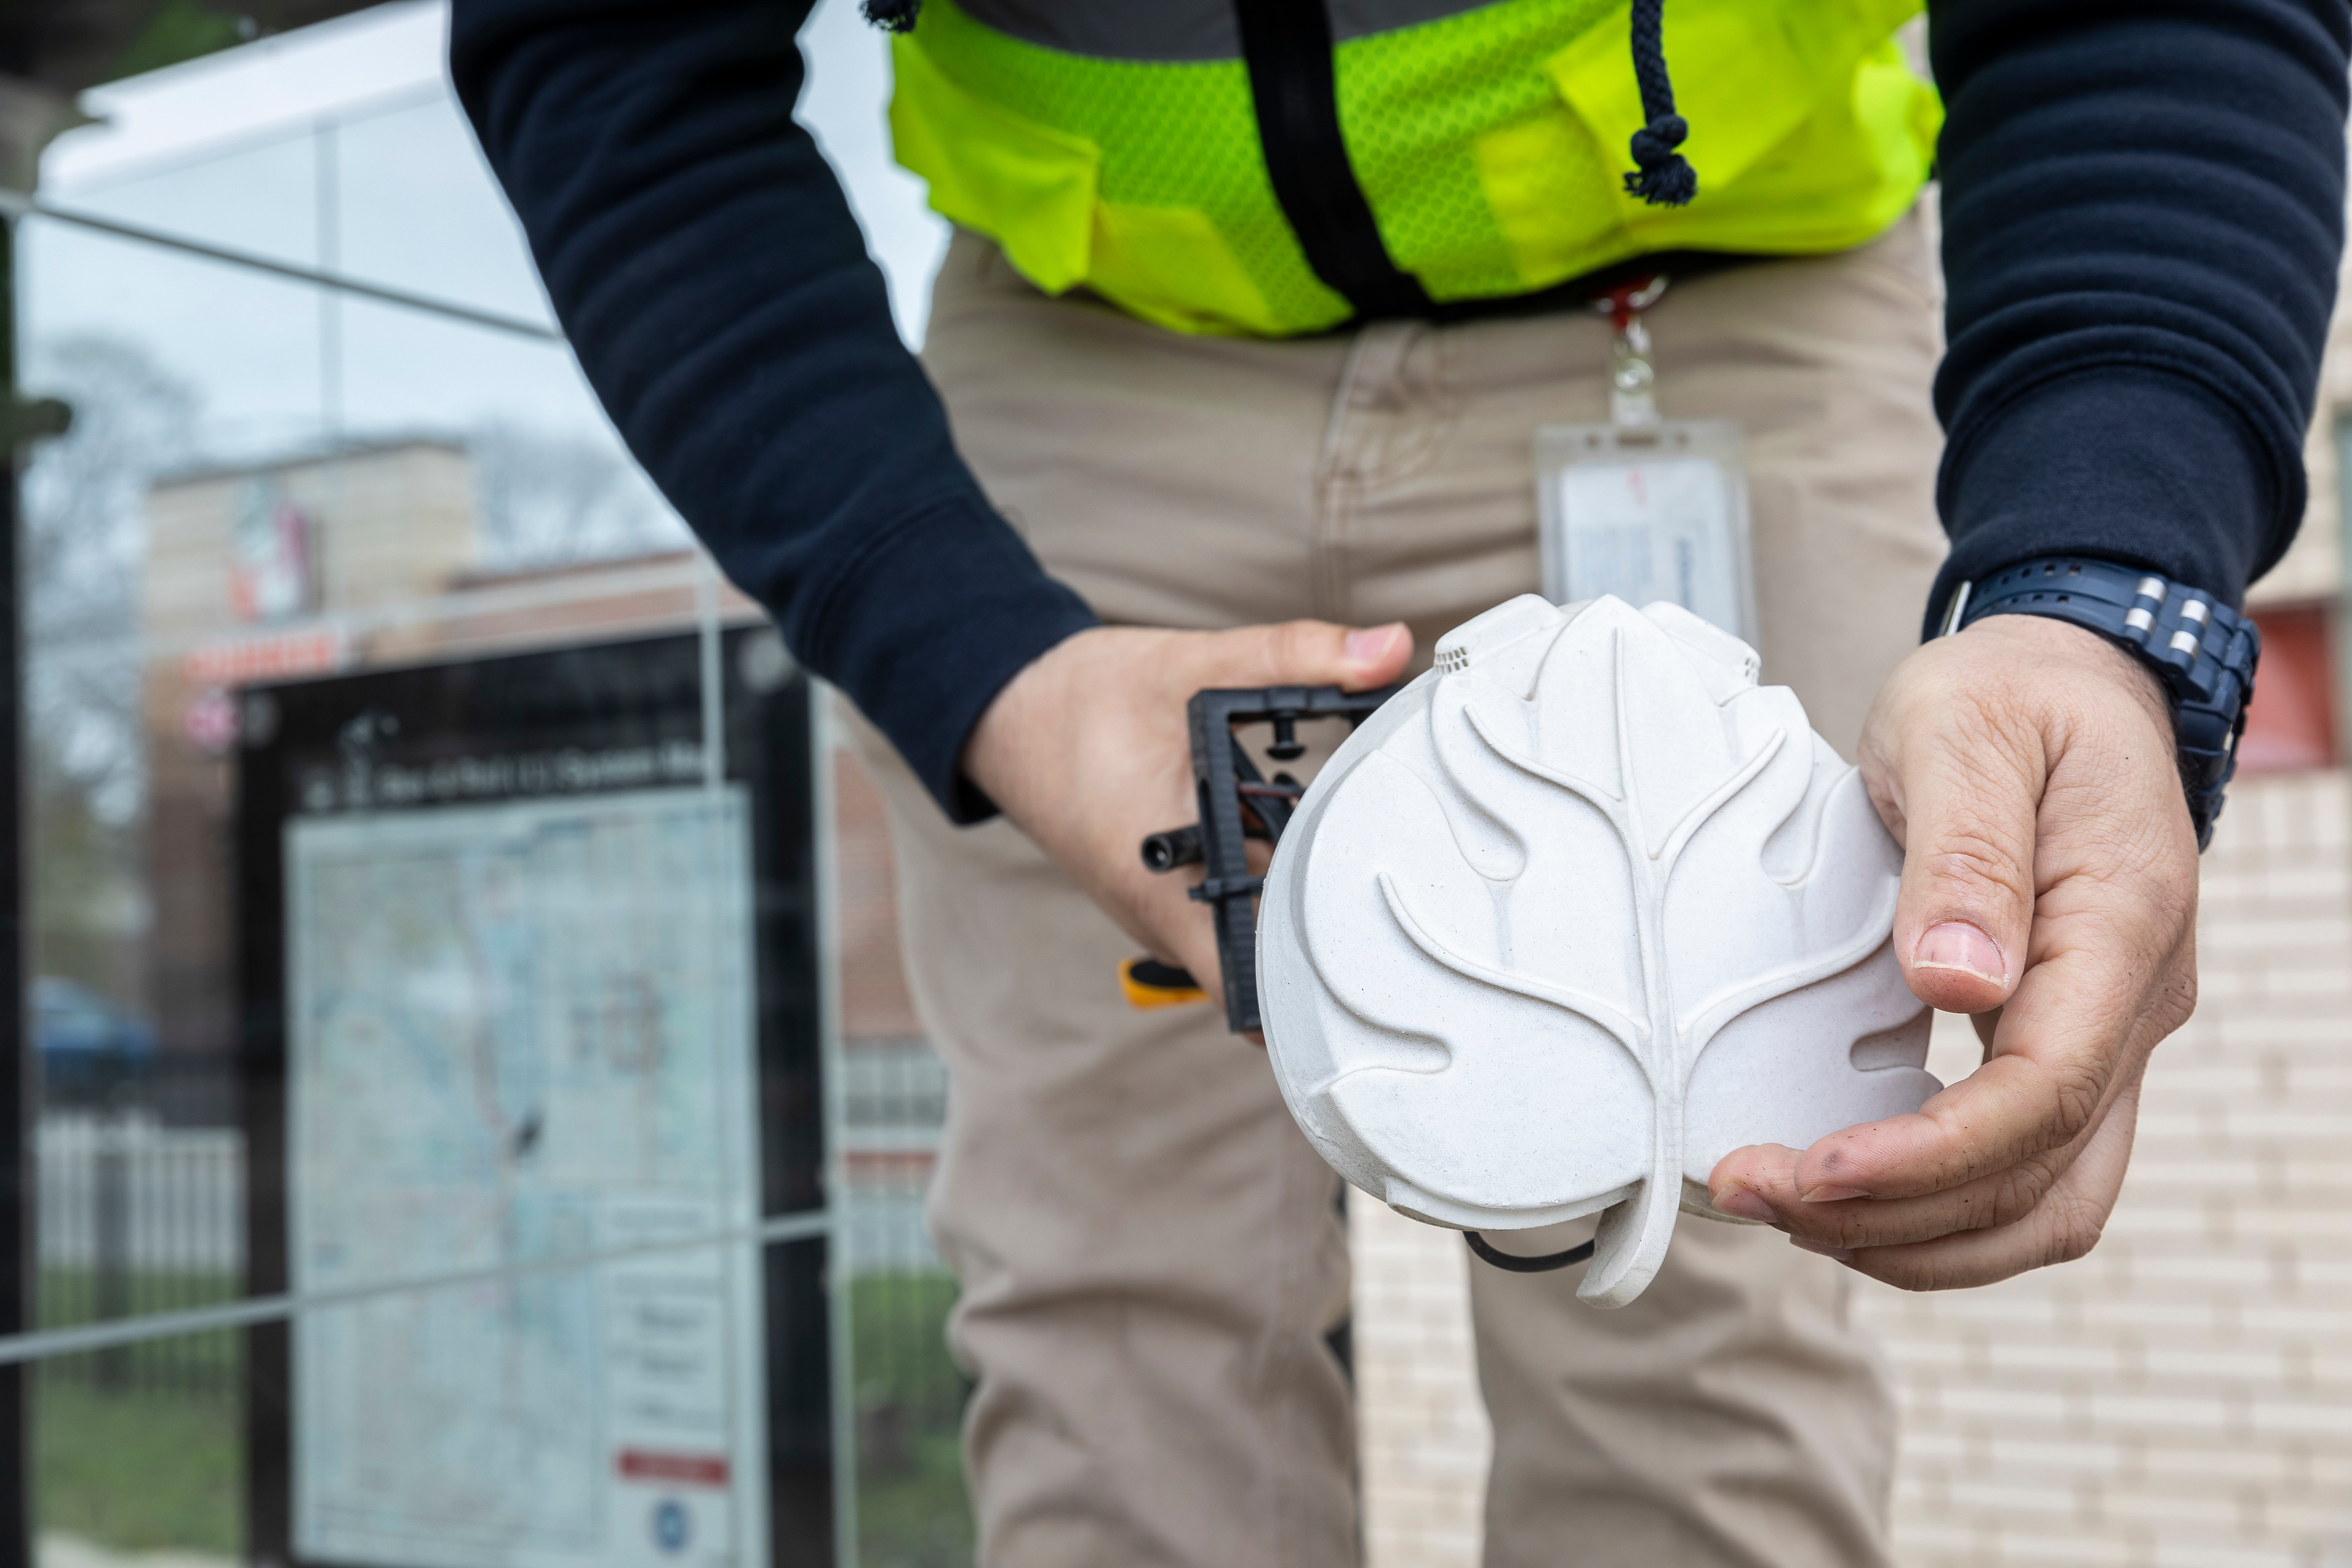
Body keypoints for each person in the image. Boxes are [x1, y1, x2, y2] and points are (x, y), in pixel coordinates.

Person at [452, 1, 2349, 1561]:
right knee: (1110, 1324)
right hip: (1083, 369)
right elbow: (600, 50)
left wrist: (2104, 581)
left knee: (1705, 1323)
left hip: (1732, 310)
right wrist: (987, 668)